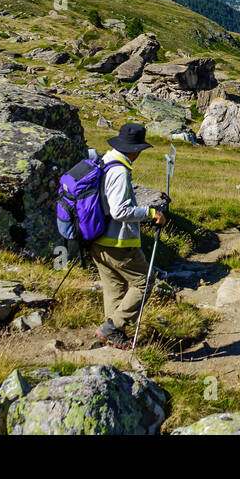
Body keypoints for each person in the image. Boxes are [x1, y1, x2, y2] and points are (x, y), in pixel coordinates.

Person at [90, 123, 169, 350]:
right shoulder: (119, 171)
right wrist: (151, 212)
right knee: (145, 281)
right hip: (117, 242)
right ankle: (112, 327)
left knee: (114, 286)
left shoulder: (103, 162)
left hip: (97, 239)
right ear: (134, 150)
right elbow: (120, 211)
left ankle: (113, 333)